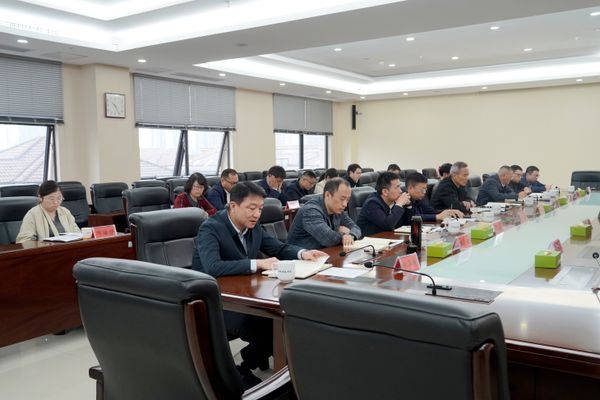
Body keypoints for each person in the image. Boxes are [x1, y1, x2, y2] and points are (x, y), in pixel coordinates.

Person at [192, 182, 326, 383]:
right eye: (251, 208)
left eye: (260, 209)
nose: (256, 214)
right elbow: (213, 267)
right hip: (217, 301)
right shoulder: (211, 228)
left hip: (245, 293)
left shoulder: (253, 227)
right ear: (233, 206)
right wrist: (258, 263)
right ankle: (242, 374)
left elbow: (278, 248)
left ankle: (251, 361)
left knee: (286, 319)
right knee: (268, 325)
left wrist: (303, 253)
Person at [287, 178, 362, 249]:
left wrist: (350, 235)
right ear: (327, 195)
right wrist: (345, 235)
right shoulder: (311, 211)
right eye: (342, 199)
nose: (345, 204)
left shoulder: (338, 210)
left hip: (324, 252)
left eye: (347, 200)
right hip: (301, 255)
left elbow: (356, 228)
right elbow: (328, 239)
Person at [16, 180, 80, 243]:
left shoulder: (65, 211)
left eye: (59, 198)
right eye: (51, 199)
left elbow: (77, 233)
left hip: (67, 248)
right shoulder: (32, 214)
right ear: (40, 197)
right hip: (44, 249)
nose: (55, 202)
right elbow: (24, 241)